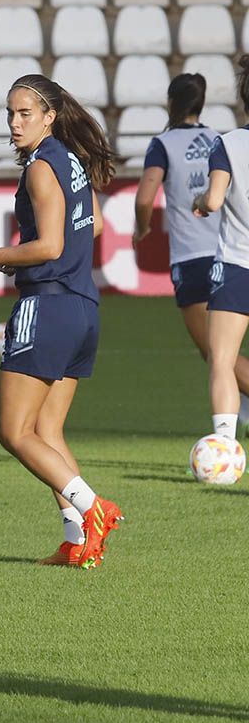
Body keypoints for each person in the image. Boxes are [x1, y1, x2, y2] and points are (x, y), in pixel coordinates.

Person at [0, 74, 123, 569]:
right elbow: (90, 218)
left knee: (14, 432)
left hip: (46, 306)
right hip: (81, 306)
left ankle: (94, 509)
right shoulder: (70, 160)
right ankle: (77, 540)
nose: (14, 122)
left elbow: (49, 245)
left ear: (49, 116)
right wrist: (27, 258)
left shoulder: (40, 167)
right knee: (48, 430)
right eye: (10, 112)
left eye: (25, 112)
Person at [134, 75, 249, 428]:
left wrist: (142, 228)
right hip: (223, 247)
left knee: (218, 356)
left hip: (206, 259)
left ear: (171, 101)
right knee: (220, 356)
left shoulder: (165, 144)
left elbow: (144, 196)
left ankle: (228, 436)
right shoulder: (217, 138)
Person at [195, 55, 249, 444]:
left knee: (223, 361)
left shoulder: (227, 144)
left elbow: (213, 200)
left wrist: (201, 201)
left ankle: (226, 448)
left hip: (236, 263)